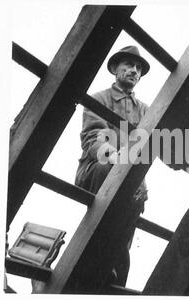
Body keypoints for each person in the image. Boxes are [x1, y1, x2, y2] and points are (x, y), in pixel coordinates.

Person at [75, 45, 150, 287]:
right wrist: (113, 155)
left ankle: (112, 286)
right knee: (109, 175)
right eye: (128, 65)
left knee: (124, 237)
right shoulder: (99, 99)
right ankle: (94, 270)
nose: (134, 70)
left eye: (138, 68)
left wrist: (186, 162)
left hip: (128, 182)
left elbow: (156, 144)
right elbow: (94, 137)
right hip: (98, 171)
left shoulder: (146, 110)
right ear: (115, 68)